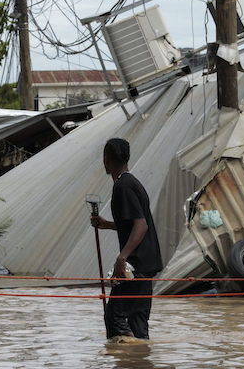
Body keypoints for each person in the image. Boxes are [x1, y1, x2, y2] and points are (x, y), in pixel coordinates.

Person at [89, 138, 163, 341]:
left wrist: (122, 258)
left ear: (106, 159)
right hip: (146, 267)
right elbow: (134, 224)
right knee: (138, 323)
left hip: (135, 266)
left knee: (114, 317)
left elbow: (141, 225)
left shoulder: (123, 186)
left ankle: (129, 355)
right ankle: (140, 358)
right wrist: (108, 224)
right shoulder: (134, 183)